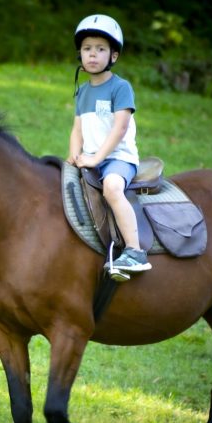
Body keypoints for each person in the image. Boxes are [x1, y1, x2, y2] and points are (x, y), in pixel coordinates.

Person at [66, 14, 152, 280]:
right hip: (92, 157)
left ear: (113, 56)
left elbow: (120, 129)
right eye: (87, 48)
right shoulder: (82, 92)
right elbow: (77, 129)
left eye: (100, 49)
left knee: (113, 188)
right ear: (80, 54)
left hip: (118, 158)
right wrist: (74, 154)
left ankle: (135, 252)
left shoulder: (120, 87)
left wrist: (96, 158)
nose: (93, 55)